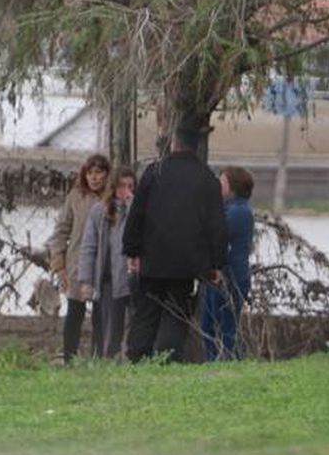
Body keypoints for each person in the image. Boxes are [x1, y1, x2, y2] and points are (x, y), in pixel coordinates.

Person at [122, 123, 227, 363]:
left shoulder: (154, 171)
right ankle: (167, 360)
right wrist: (216, 263)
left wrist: (132, 251)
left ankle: (137, 358)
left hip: (153, 257)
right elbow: (217, 226)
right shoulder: (207, 179)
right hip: (187, 263)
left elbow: (136, 214)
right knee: (176, 312)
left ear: (173, 144)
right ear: (196, 146)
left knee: (146, 312)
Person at [48, 154, 110, 362]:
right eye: (90, 173)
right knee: (75, 313)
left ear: (107, 175)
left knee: (102, 314)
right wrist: (59, 265)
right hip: (76, 264)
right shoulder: (76, 196)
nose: (94, 178)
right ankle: (69, 358)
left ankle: (100, 358)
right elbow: (61, 232)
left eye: (99, 173)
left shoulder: (112, 198)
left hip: (104, 265)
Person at [76, 167, 137, 359]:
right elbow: (88, 247)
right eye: (122, 186)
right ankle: (107, 360)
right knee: (109, 330)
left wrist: (132, 204)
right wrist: (86, 280)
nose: (126, 191)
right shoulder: (100, 211)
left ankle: (133, 360)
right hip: (108, 281)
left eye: (131, 186)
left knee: (134, 326)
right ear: (113, 187)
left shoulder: (137, 210)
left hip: (133, 280)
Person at [201, 166, 256, 360]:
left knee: (224, 327)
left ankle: (228, 362)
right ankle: (217, 361)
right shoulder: (230, 209)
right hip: (219, 276)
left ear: (232, 187)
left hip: (230, 277)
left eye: (222, 182)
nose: (218, 186)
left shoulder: (238, 212)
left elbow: (215, 235)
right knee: (209, 325)